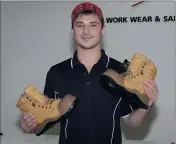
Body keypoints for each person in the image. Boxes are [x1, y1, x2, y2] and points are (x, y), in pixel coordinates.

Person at [19, 2, 159, 144]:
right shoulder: (56, 72)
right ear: (73, 31)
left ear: (102, 29)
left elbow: (131, 121)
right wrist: (31, 123)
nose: (86, 31)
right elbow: (46, 117)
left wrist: (147, 104)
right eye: (80, 25)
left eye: (93, 25)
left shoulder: (120, 72)